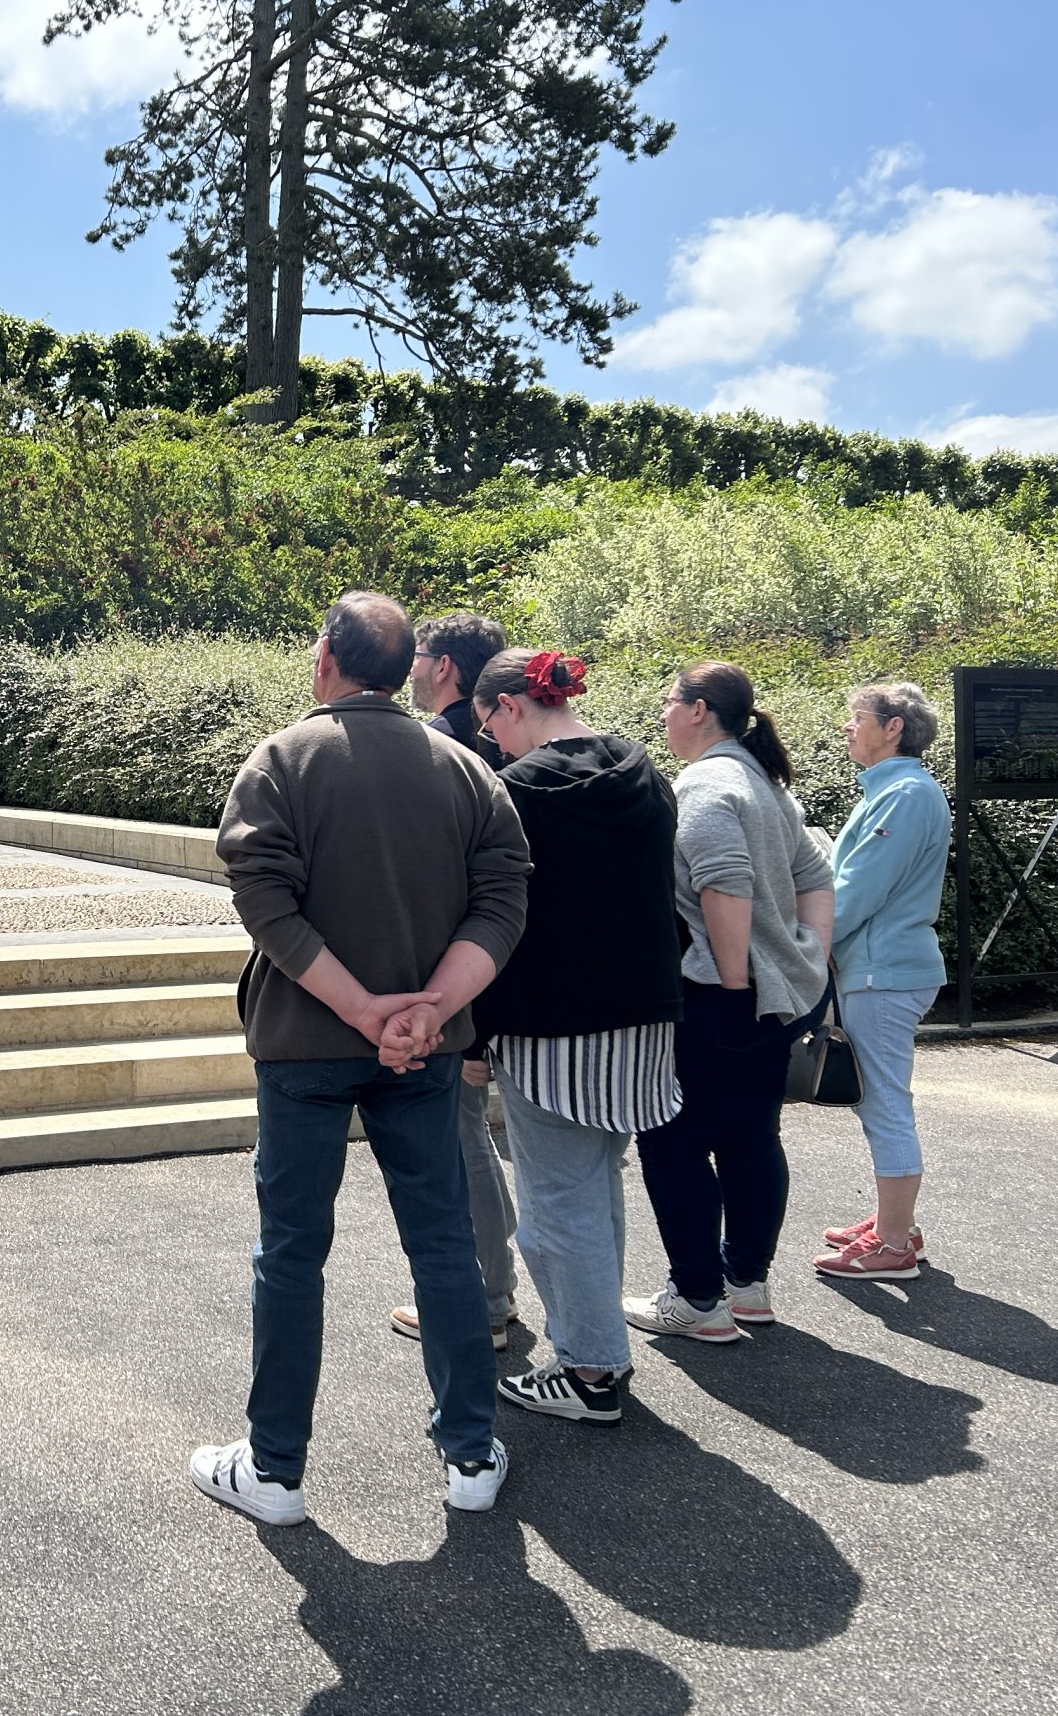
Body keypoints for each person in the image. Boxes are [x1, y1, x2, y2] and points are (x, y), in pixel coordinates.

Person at [192, 593, 531, 1525]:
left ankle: (275, 1469)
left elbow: (263, 897)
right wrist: (426, 1011)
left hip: (303, 1044)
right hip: (428, 1050)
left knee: (292, 1252)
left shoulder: (282, 760)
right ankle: (469, 1451)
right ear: (403, 670)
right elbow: (503, 901)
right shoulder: (468, 770)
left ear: (325, 660)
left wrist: (357, 1006)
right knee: (443, 1244)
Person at [468, 651, 682, 1427]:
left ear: (512, 707)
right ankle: (597, 1349)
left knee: (558, 1201)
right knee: (597, 1184)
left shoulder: (517, 793)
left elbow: (502, 919)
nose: (491, 741)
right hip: (644, 1017)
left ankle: (590, 1368)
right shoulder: (645, 773)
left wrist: (474, 1033)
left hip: (551, 1023)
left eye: (489, 724)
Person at [625, 662, 832, 1345]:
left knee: (672, 1142)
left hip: (720, 996)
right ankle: (747, 1286)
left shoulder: (708, 782)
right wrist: (804, 957)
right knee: (750, 1138)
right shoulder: (762, 782)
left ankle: (697, 1298)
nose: (661, 714)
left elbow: (723, 881)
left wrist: (735, 976)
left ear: (699, 709)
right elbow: (816, 875)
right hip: (774, 998)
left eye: (668, 702)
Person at [387, 608, 521, 1351]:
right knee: (477, 1137)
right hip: (496, 962)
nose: (411, 670)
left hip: (447, 978)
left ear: (443, 669)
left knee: (462, 1138)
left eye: (421, 658)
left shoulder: (436, 746)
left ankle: (484, 1299)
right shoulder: (500, 743)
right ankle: (494, 1285)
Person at [813, 684, 951, 1282]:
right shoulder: (899, 790)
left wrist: (805, 949)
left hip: (883, 970)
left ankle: (895, 1244)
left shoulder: (905, 792)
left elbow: (857, 891)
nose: (847, 727)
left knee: (883, 1103)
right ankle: (895, 1225)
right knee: (882, 1100)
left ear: (893, 727)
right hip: (882, 967)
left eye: (857, 718)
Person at [411, 611, 508, 770]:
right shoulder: (511, 731)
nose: (411, 670)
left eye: (417, 657)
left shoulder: (430, 742)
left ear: (443, 666)